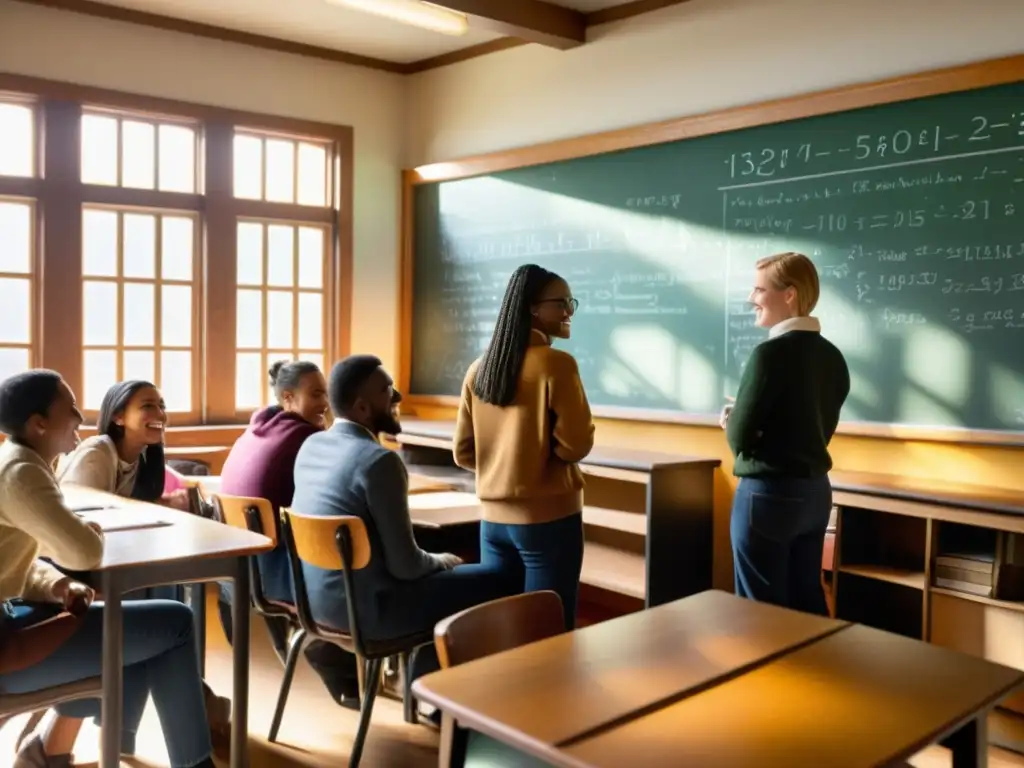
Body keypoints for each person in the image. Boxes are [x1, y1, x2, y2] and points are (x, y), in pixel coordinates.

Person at [0, 370, 217, 768]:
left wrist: (57, 584)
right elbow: (84, 551)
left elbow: (18, 562)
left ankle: (55, 751)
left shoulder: (16, 461)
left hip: (13, 621)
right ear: (39, 424)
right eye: (70, 408)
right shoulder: (23, 472)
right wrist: (90, 531)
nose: (81, 416)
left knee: (142, 621)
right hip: (7, 649)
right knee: (176, 623)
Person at [291, 355, 508, 672]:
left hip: (316, 606)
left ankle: (424, 691)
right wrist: (444, 560)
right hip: (370, 614)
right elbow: (406, 566)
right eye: (386, 389)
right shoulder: (379, 462)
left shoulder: (311, 446)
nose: (397, 397)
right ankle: (437, 695)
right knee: (500, 579)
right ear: (363, 408)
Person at [453, 264, 594, 630]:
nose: (568, 312)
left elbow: (463, 453)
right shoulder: (556, 365)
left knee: (501, 628)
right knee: (549, 633)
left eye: (570, 303)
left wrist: (505, 467)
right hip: (548, 521)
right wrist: (538, 463)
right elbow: (576, 446)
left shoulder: (479, 369)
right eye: (560, 303)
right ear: (532, 307)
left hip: (493, 522)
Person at [217, 360, 360, 705]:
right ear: (287, 398)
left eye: (326, 393)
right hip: (278, 576)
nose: (325, 402)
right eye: (315, 394)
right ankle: (334, 656)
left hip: (238, 572)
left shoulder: (258, 427)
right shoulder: (306, 438)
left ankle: (332, 661)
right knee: (356, 554)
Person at [722, 252, 850, 614]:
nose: (751, 298)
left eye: (759, 289)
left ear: (789, 294)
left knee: (759, 612)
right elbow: (815, 428)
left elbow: (739, 438)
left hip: (767, 497)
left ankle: (769, 674)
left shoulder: (769, 355)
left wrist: (734, 422)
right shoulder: (833, 357)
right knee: (806, 601)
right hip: (814, 495)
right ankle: (815, 670)